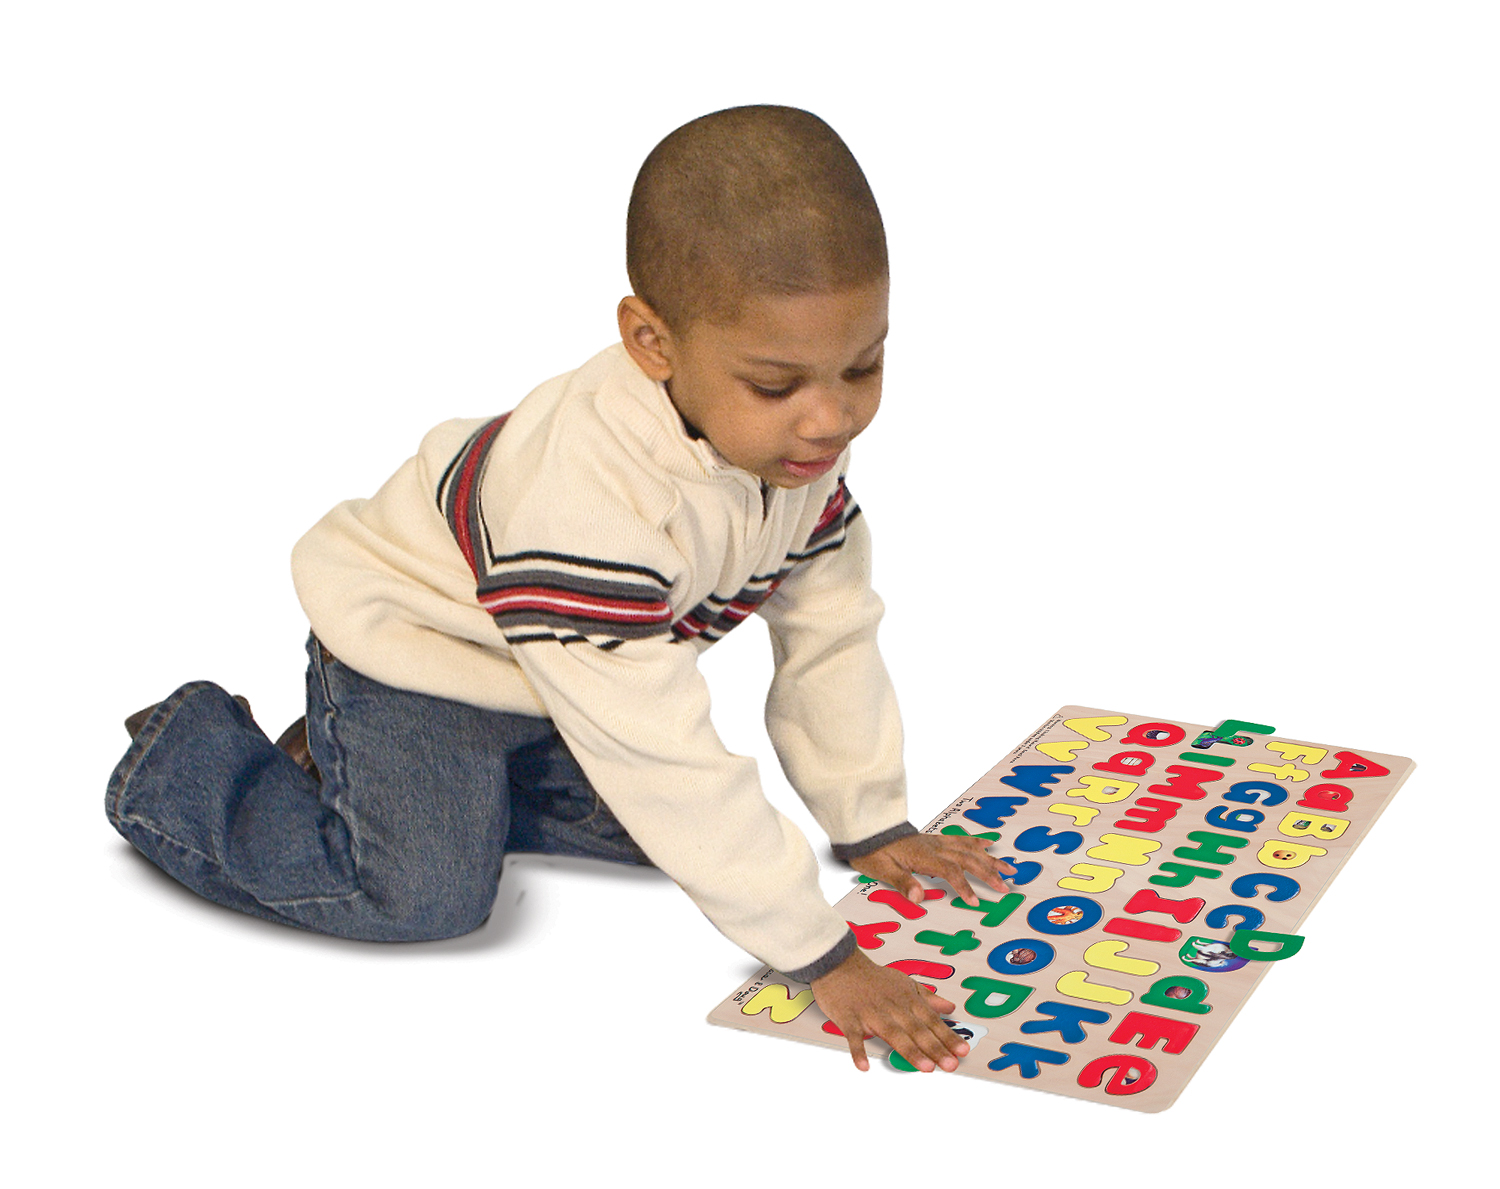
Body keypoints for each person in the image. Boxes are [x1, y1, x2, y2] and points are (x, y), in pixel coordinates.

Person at [106, 104, 1013, 1073]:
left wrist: (868, 819)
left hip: (558, 674)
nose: (831, 418)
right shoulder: (585, 501)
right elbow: (659, 749)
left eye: (863, 365)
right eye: (776, 384)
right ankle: (186, 754)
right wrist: (821, 953)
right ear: (651, 342)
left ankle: (382, 779)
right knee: (423, 896)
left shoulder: (795, 458)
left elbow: (832, 633)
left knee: (676, 840)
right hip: (422, 660)